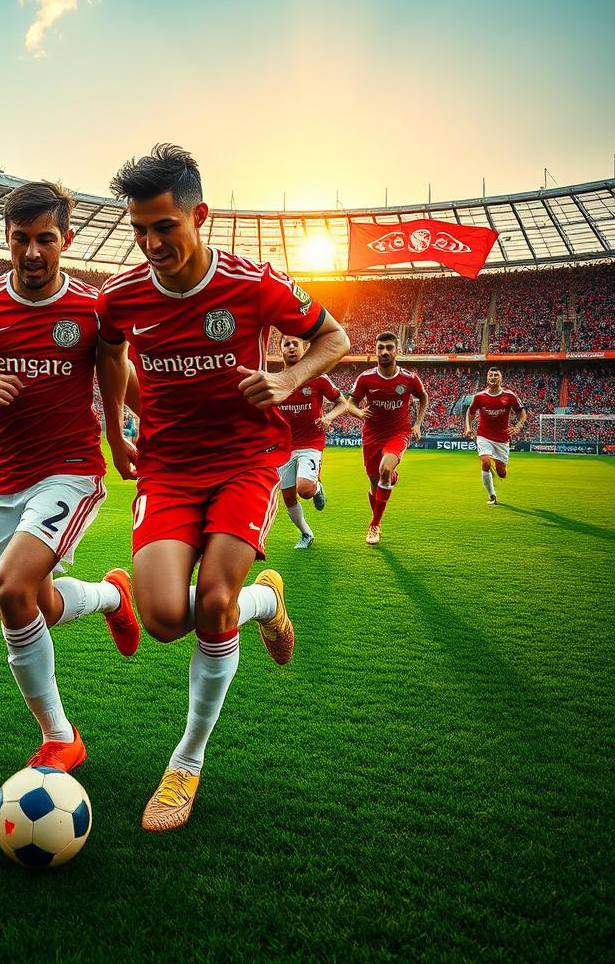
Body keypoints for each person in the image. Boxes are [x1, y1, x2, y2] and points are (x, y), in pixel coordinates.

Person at [96, 144, 349, 831]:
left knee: (211, 603)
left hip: (245, 462)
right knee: (162, 620)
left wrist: (290, 379)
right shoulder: (121, 295)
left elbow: (334, 335)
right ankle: (267, 602)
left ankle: (186, 763)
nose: (150, 244)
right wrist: (119, 427)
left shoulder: (252, 283)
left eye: (164, 228)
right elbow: (109, 348)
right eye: (139, 230)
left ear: (198, 215)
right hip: (167, 469)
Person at [0, 181, 140, 773]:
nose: (34, 252)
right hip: (2, 479)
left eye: (46, 239)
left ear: (66, 240)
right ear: (7, 238)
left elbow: (120, 374)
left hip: (71, 470)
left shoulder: (91, 309)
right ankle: (114, 595)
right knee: (33, 600)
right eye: (22, 239)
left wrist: (121, 436)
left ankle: (60, 736)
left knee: (10, 590)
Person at [275, 334, 358, 549]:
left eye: (296, 344)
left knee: (305, 489)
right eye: (287, 344)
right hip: (284, 447)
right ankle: (306, 534)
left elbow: (343, 404)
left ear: (304, 349)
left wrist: (328, 417)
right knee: (288, 498)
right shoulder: (276, 382)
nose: (292, 347)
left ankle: (317, 487)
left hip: (311, 442)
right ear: (280, 350)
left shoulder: (319, 379)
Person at [346, 332, 429, 545]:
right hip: (372, 436)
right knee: (375, 485)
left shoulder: (409, 379)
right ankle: (388, 483)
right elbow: (350, 404)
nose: (384, 351)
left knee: (385, 469)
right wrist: (359, 413)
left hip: (398, 433)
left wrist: (418, 423)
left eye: (389, 347)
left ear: (397, 351)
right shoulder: (365, 378)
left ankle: (374, 525)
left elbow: (423, 397)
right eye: (380, 347)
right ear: (375, 351)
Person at [464, 367, 526, 505]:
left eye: (496, 375)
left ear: (501, 379)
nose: (493, 377)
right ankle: (492, 496)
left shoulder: (509, 396)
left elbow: (522, 413)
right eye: (490, 375)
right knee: (485, 461)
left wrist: (517, 427)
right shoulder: (479, 397)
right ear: (487, 379)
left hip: (502, 439)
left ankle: (498, 469)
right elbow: (470, 412)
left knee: (501, 472)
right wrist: (468, 427)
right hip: (484, 435)